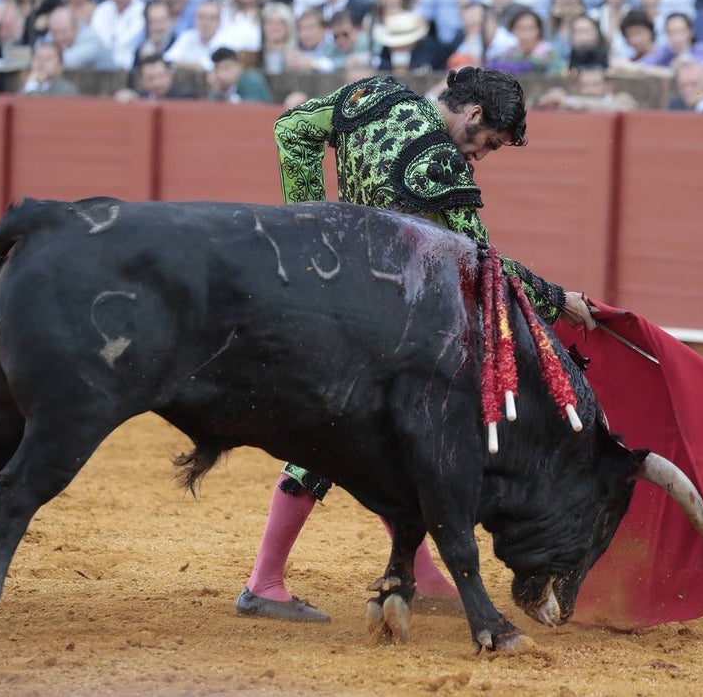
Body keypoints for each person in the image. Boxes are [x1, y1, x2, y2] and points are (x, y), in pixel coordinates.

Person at [237, 67, 597, 622]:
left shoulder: (374, 94)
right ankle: (263, 583)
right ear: (473, 115)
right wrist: (555, 298)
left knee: (386, 439)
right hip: (380, 321)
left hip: (334, 294)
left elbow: (293, 130)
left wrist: (308, 226)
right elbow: (484, 266)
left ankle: (423, 573)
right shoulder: (441, 162)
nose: (483, 157)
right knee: (328, 442)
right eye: (491, 144)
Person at [205, 44, 272, 102]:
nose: (221, 74)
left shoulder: (251, 81)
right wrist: (217, 92)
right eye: (217, 68)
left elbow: (250, 109)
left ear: (239, 67)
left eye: (226, 68)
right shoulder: (220, 84)